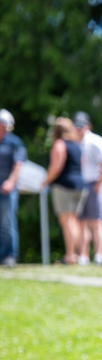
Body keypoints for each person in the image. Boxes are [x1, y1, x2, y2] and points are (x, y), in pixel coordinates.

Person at [42, 117, 87, 264]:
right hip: (80, 185)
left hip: (64, 186)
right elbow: (82, 164)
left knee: (66, 221)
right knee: (74, 221)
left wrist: (45, 181)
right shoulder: (77, 145)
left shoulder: (59, 144)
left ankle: (70, 255)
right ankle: (80, 255)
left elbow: (56, 166)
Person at [75, 112, 102, 265]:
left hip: (95, 184)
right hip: (80, 185)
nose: (78, 129)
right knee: (82, 222)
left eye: (81, 126)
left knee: (97, 221)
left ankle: (99, 255)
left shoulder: (96, 141)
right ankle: (83, 256)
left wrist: (99, 184)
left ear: (88, 126)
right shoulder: (75, 142)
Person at [0, 109, 26, 266]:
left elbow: (18, 164)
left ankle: (9, 255)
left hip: (7, 189)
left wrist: (10, 181)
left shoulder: (15, 142)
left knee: (7, 223)